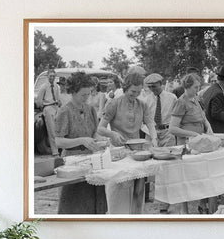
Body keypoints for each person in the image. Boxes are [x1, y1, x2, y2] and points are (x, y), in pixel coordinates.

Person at [97, 72, 158, 214]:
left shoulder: (142, 105)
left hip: (136, 153)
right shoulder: (114, 104)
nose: (135, 94)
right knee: (118, 191)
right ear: (125, 88)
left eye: (138, 92)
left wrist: (154, 138)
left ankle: (136, 220)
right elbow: (100, 129)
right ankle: (116, 219)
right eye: (132, 91)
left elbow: (150, 123)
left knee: (137, 190)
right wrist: (112, 133)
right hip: (117, 154)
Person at [54, 72, 107, 214]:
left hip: (92, 161)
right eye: (83, 95)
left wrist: (100, 140)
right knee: (75, 204)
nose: (87, 97)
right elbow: (58, 141)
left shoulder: (90, 109)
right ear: (73, 92)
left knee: (95, 202)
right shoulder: (64, 111)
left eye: (89, 94)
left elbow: (94, 132)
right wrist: (82, 140)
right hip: (72, 165)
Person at [169, 73, 213, 145]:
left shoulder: (196, 99)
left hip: (199, 142)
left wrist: (208, 127)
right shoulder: (181, 103)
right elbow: (172, 129)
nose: (198, 89)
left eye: (199, 87)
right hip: (187, 143)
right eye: (195, 87)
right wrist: (194, 134)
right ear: (187, 87)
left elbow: (203, 117)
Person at [143, 73, 177, 147]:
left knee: (167, 155)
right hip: (151, 134)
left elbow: (177, 116)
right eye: (149, 87)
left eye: (154, 86)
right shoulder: (146, 100)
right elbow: (143, 121)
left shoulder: (172, 98)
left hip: (167, 133)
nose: (152, 89)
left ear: (161, 83)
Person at [203, 67, 224, 133]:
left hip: (207, 127)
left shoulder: (210, 89)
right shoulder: (219, 93)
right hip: (214, 129)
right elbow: (216, 114)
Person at [36, 69, 61, 156]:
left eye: (54, 76)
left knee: (58, 130)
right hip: (48, 108)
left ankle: (60, 148)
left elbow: (58, 98)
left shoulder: (57, 87)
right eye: (51, 76)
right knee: (51, 131)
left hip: (56, 108)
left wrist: (58, 104)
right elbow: (39, 101)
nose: (52, 78)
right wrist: (45, 107)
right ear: (47, 76)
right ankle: (55, 152)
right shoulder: (44, 87)